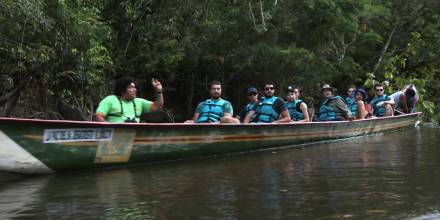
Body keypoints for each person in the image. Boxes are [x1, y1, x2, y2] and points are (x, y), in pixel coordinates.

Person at [95, 76, 163, 123]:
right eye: (131, 87)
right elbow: (98, 116)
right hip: (115, 137)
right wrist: (109, 128)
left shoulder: (139, 102)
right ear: (122, 90)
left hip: (134, 138)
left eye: (135, 87)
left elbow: (157, 107)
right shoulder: (110, 99)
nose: (135, 90)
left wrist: (159, 92)